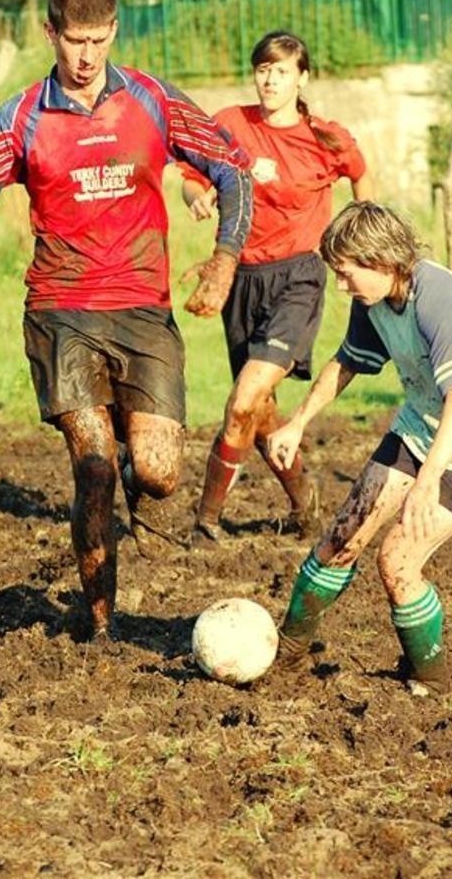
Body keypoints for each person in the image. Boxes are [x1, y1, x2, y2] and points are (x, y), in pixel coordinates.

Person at [0, 0, 252, 640]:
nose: (86, 57)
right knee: (95, 464)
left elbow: (232, 166)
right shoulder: (21, 117)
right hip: (61, 313)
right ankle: (99, 622)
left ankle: (143, 479)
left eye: (98, 41)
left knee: (159, 474)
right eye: (74, 41)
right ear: (51, 33)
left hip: (142, 310)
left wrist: (224, 258)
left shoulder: (152, 100)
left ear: (113, 32)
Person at [267, 201, 452, 695]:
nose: (342, 285)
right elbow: (347, 362)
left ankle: (431, 681)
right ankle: (287, 657)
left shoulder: (439, 300)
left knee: (396, 561)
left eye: (346, 274)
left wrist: (427, 481)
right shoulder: (372, 302)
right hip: (424, 421)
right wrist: (297, 423)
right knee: (339, 541)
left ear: (382, 261)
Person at [178, 31, 374, 546]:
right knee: (259, 409)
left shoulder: (326, 138)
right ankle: (304, 500)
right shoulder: (230, 124)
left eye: (282, 70)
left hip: (299, 277)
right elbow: (191, 173)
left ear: (301, 77)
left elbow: (362, 177)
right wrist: (195, 194)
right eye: (263, 69)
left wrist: (360, 242)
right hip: (240, 277)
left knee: (245, 396)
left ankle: (206, 521)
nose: (270, 79)